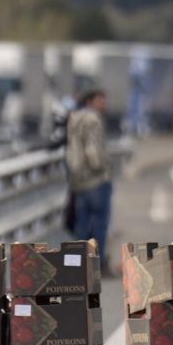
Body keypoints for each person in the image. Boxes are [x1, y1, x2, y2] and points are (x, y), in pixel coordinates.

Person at [65, 85, 114, 259]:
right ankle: (97, 265)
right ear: (90, 102)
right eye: (101, 101)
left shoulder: (73, 118)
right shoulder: (93, 120)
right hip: (96, 180)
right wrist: (101, 166)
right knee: (100, 225)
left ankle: (78, 266)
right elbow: (93, 152)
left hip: (78, 180)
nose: (104, 105)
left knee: (82, 226)